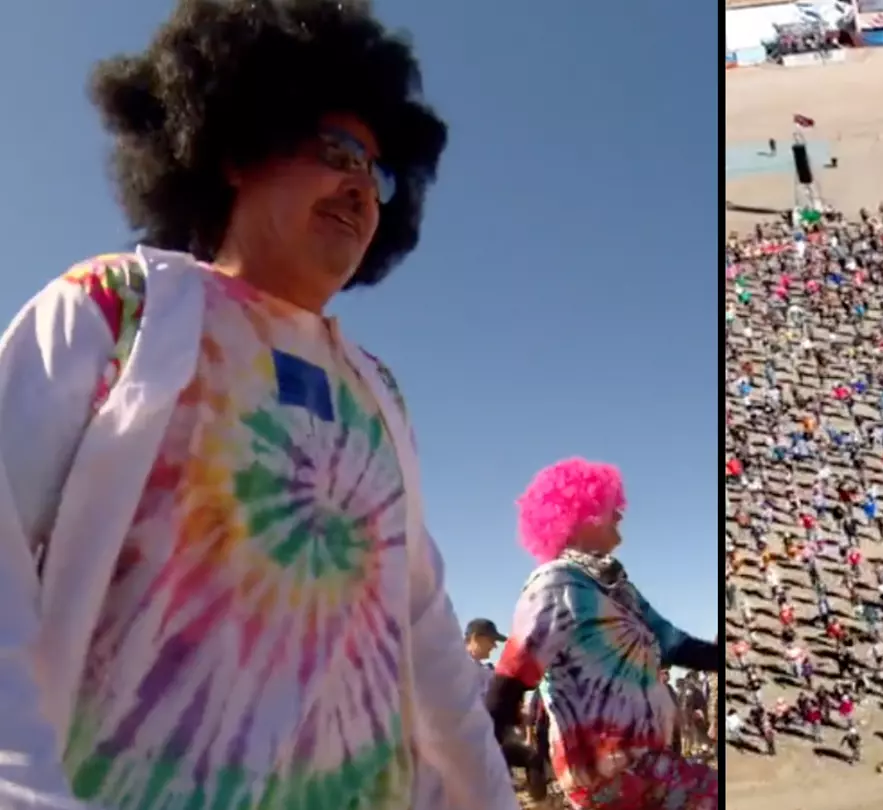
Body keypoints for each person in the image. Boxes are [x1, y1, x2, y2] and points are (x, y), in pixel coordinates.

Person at [0, 2, 516, 809]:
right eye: (336, 150)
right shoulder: (116, 308)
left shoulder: (380, 391)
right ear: (239, 149)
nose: (360, 188)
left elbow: (427, 634)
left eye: (377, 174)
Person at [486, 458, 720, 809]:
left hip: (646, 763)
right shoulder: (556, 585)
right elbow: (512, 675)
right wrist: (487, 752)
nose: (621, 515)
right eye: (613, 507)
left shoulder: (618, 588)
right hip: (606, 770)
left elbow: (674, 643)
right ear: (582, 515)